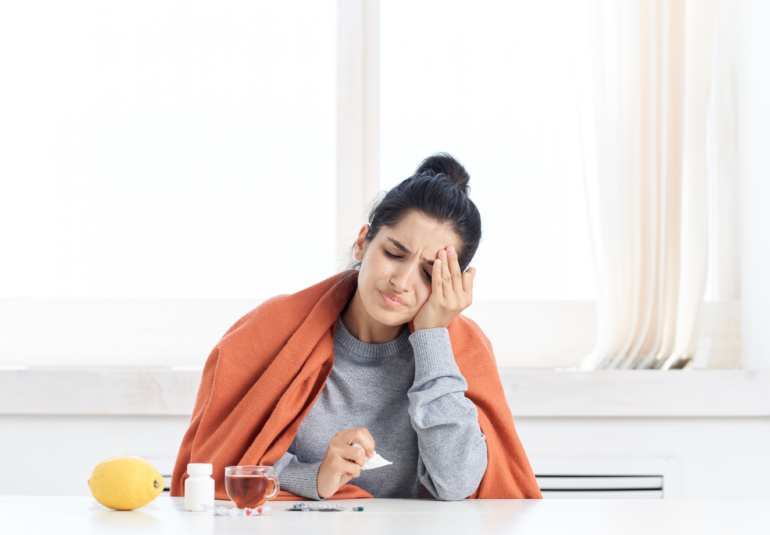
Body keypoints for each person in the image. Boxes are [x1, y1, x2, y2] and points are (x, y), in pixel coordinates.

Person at [170, 153, 541, 502]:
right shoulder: (269, 331)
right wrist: (313, 477)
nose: (402, 280)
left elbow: (457, 485)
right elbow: (220, 467)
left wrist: (432, 338)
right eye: (394, 254)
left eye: (429, 273)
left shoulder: (461, 350)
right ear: (363, 242)